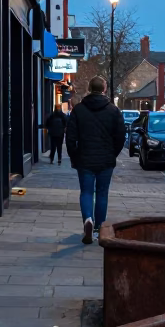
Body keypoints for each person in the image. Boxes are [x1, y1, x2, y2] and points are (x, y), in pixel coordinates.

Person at [66, 77, 126, 244]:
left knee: (86, 192)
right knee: (102, 193)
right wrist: (113, 153)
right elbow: (121, 136)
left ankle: (87, 220)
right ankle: (99, 226)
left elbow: (70, 138)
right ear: (104, 89)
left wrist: (74, 156)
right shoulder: (114, 111)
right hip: (106, 159)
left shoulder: (78, 110)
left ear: (89, 88)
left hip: (84, 158)